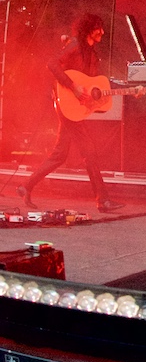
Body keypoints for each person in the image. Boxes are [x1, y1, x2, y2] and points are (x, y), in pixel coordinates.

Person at [18, 13, 125, 213]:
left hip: (73, 108)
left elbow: (94, 85)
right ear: (88, 29)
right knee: (89, 151)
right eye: (98, 28)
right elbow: (52, 63)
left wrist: (127, 91)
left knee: (60, 155)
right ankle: (103, 200)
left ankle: (26, 186)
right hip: (65, 103)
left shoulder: (93, 55)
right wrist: (72, 86)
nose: (102, 31)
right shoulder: (74, 46)